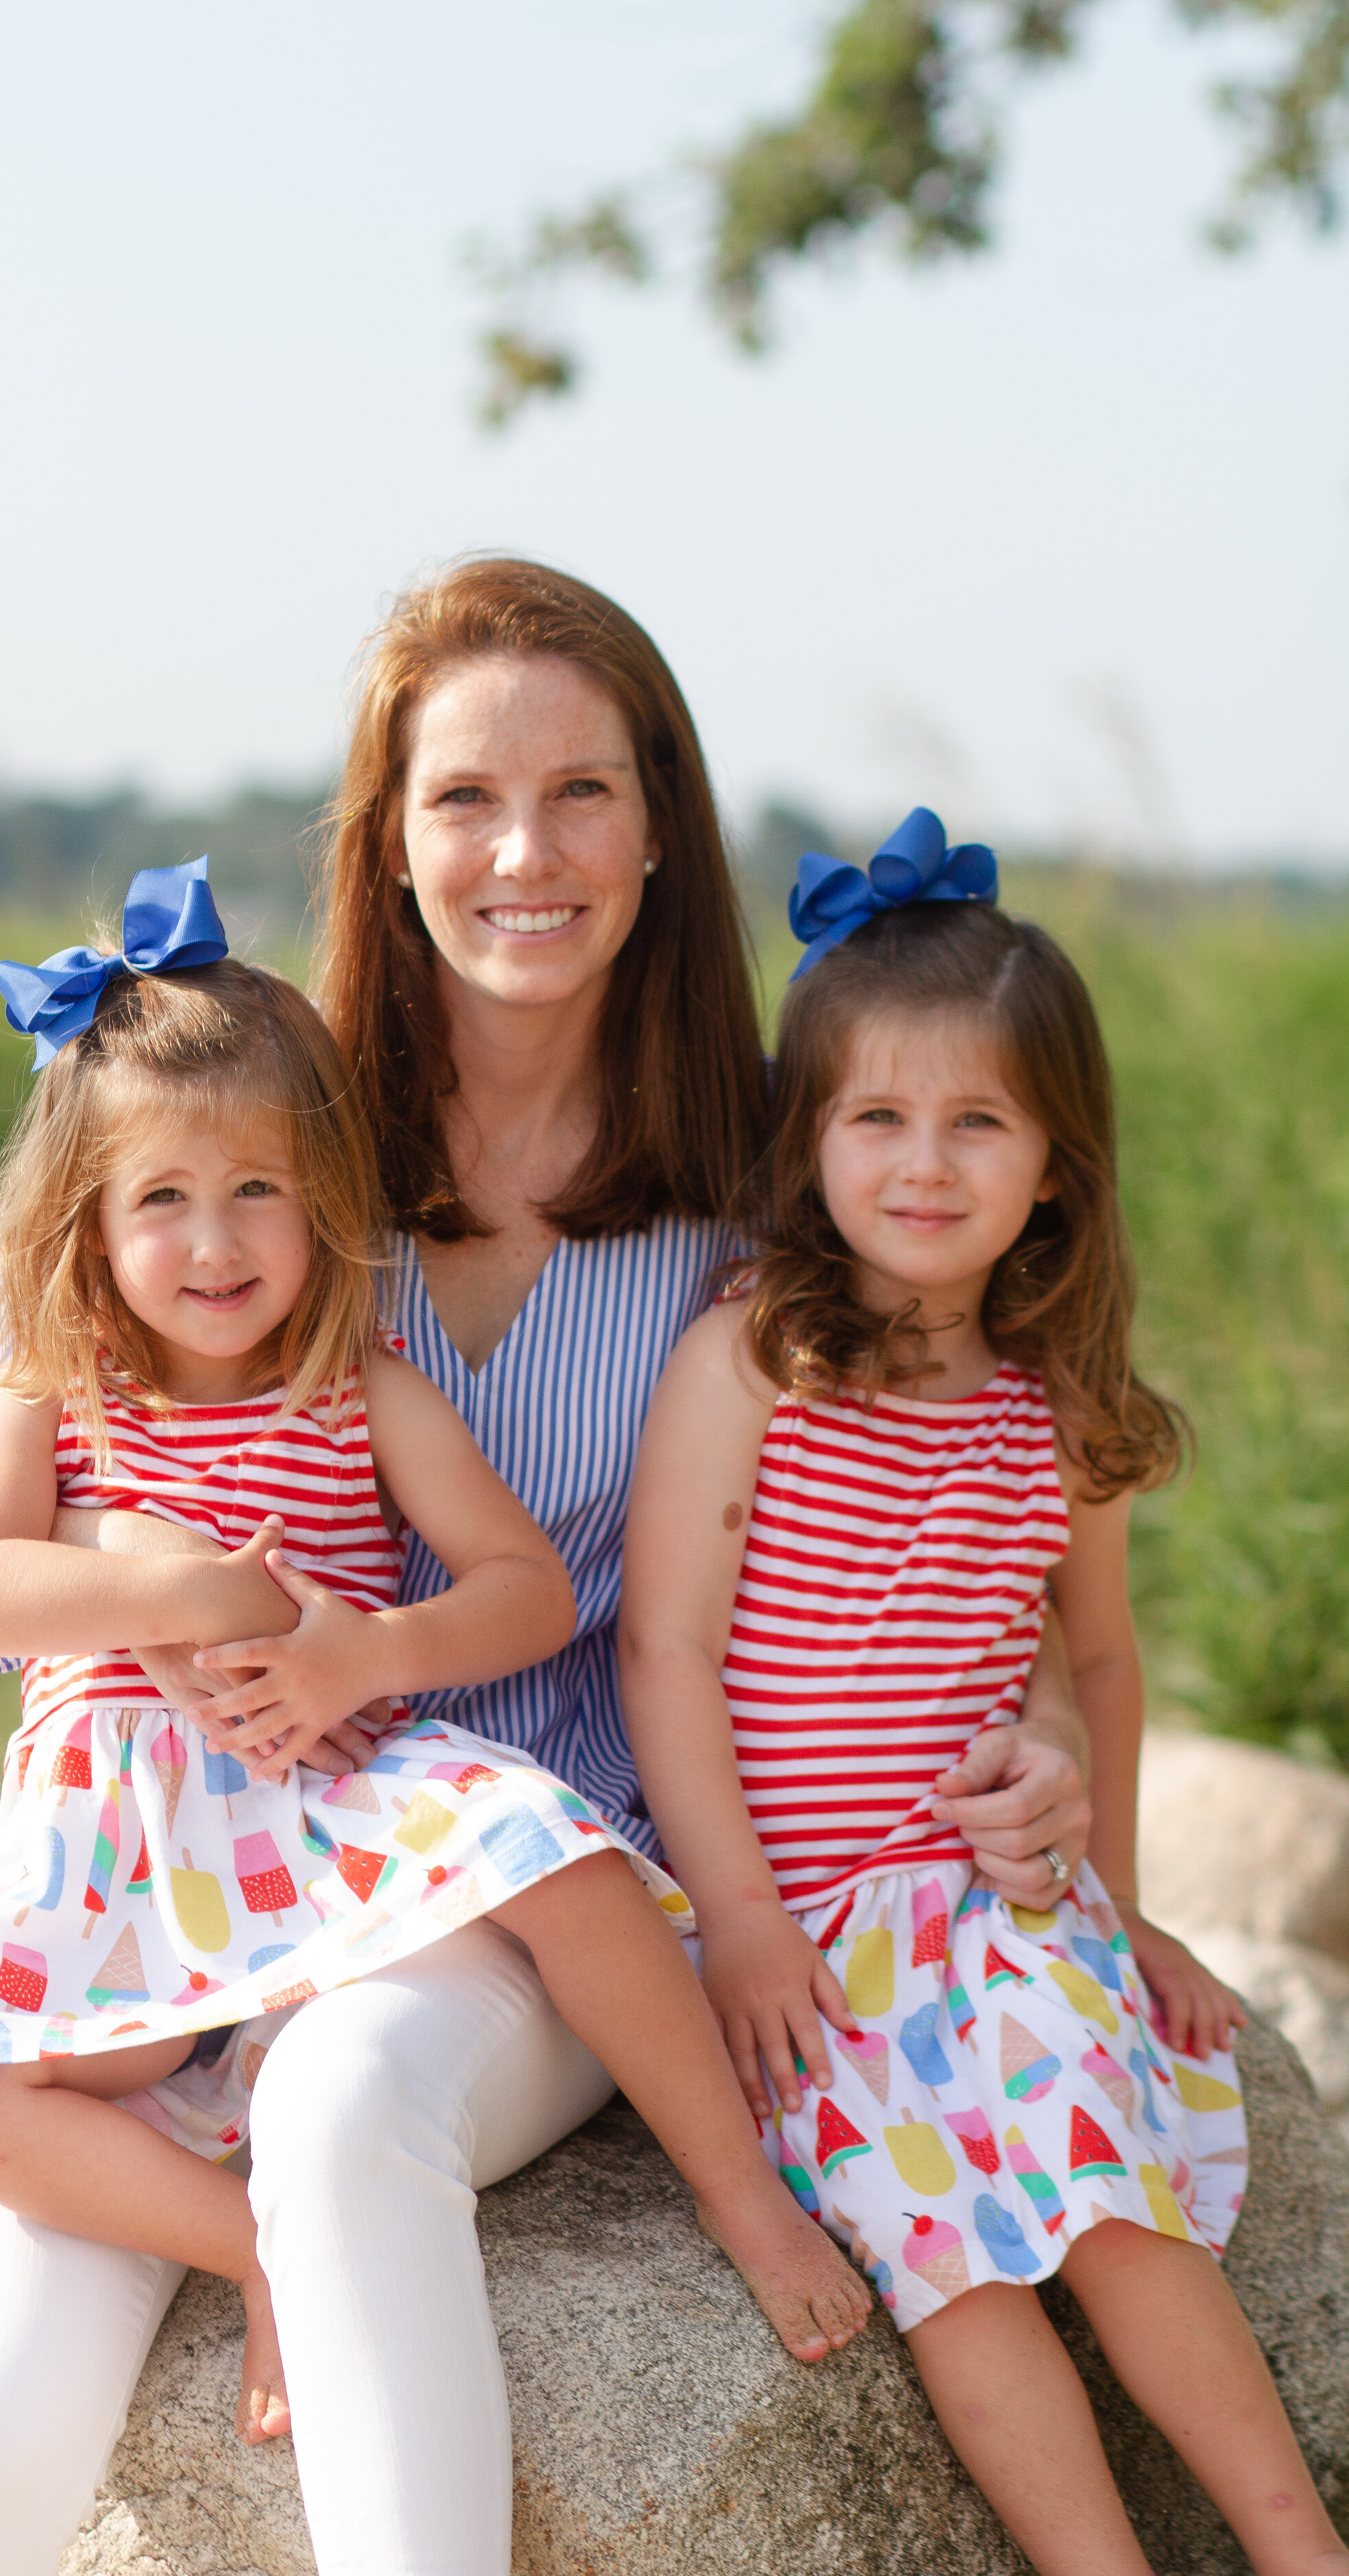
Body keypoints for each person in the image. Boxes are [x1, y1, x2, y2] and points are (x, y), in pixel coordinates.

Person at [0, 562, 1091, 2576]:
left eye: (582, 791)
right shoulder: (247, 1131)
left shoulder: (762, 1189)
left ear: (659, 826)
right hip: (170, 1878)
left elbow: (958, 1488)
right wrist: (150, 1567)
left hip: (532, 1890)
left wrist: (1035, 1725)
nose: (525, 851)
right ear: (387, 837)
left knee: (344, 2110)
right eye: (463, 799)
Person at [0, 863, 876, 2458]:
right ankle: (253, 2240)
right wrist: (181, 1584)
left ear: (327, 1196)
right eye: (161, 1198)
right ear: (85, 1217)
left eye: (259, 1189)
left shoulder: (362, 1379)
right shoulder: (44, 1379)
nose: (216, 1241)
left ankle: (741, 2197)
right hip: (123, 1827)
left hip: (329, 1784)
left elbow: (530, 1593)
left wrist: (369, 1654)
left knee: (568, 1868)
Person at [620, 815, 1346, 2576]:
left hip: (992, 1912)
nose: (923, 1163)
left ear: (1052, 1162)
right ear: (808, 1143)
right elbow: (664, 1652)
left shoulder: (1046, 1404)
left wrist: (1122, 1903)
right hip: (801, 1920)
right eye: (875, 1116)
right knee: (943, 2257)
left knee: (1108, 2197)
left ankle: (1290, 2542)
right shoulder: (748, 1357)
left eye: (977, 1122)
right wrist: (734, 1921)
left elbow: (1089, 1659)